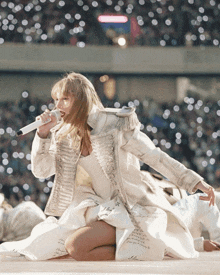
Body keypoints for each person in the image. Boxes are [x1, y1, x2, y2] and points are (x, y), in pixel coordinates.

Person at [0, 72, 216, 261]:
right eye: (56, 100)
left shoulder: (115, 124)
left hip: (131, 205)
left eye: (65, 99)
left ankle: (164, 246)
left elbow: (155, 157)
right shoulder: (64, 136)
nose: (58, 107)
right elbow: (41, 171)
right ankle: (164, 247)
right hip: (95, 209)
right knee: (56, 248)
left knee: (75, 247)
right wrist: (43, 134)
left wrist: (195, 181)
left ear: (81, 99)